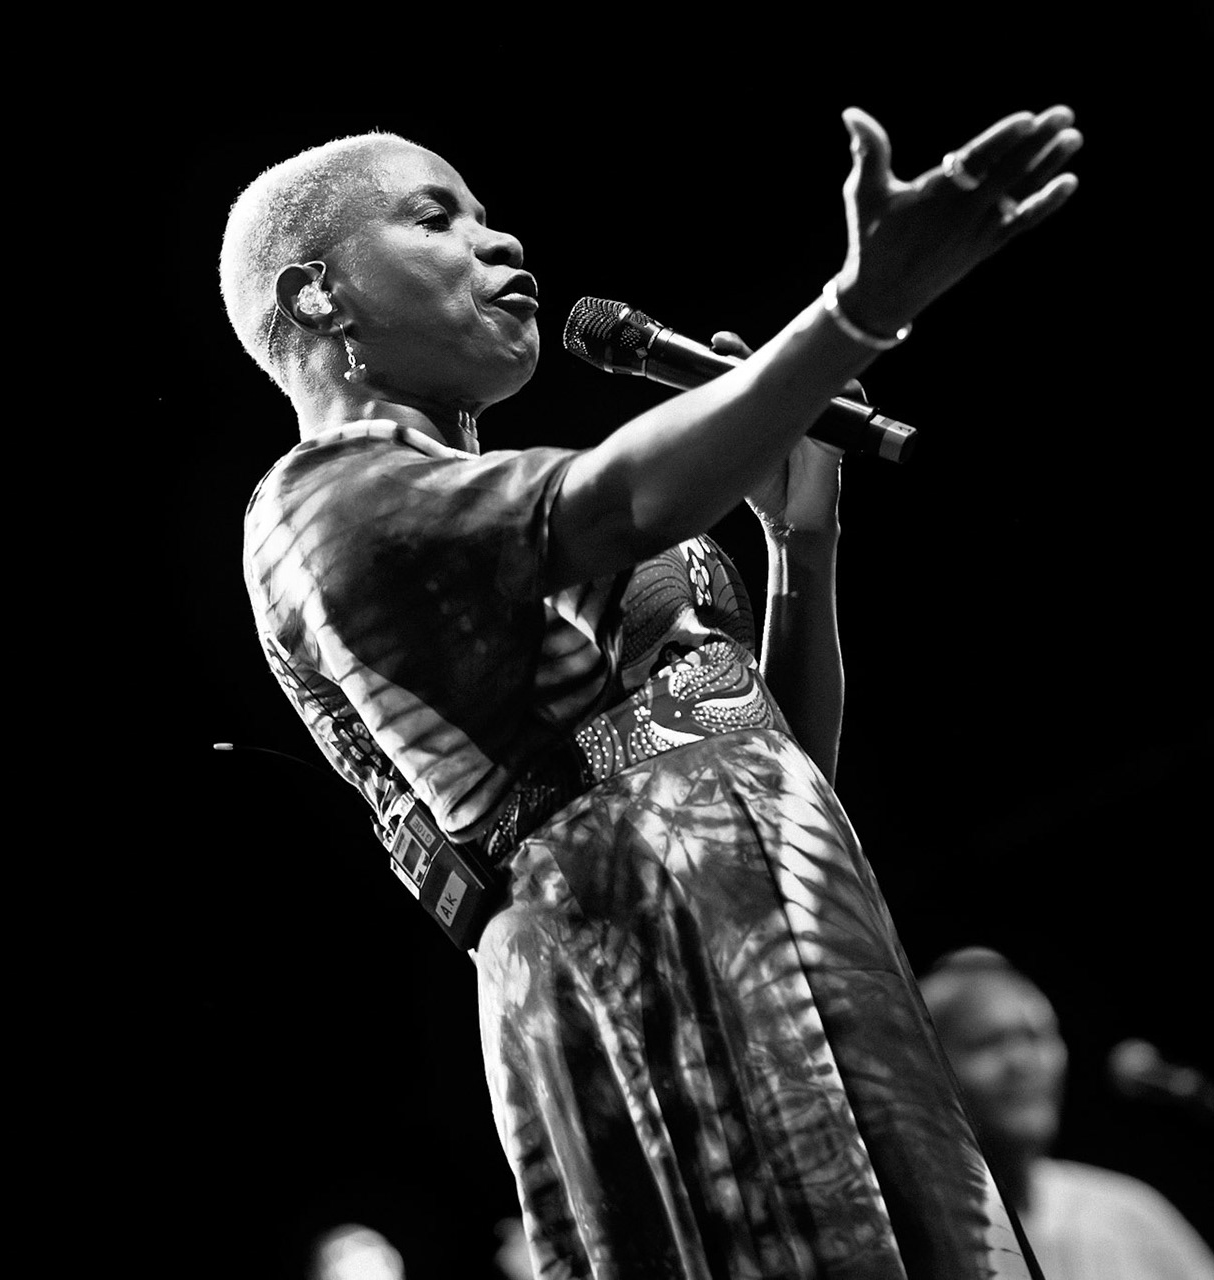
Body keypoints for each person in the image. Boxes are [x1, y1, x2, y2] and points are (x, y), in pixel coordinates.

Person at [221, 105, 1080, 1279]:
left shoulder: (506, 496)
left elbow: (771, 763)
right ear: (319, 295)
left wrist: (801, 548)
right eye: (438, 218)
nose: (500, 239)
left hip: (794, 930)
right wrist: (854, 311)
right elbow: (625, 502)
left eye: (486, 211)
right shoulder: (323, 500)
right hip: (643, 965)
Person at [920, 949, 1214, 1280]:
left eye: (1038, 1037)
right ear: (927, 1069)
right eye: (988, 1042)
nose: (1025, 1062)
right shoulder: (906, 1228)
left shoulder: (1128, 1212)